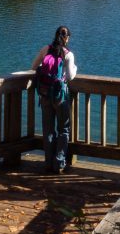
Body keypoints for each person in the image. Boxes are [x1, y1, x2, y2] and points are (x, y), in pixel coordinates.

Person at [30, 25, 77, 174]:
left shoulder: (46, 49)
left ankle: (48, 163)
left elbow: (33, 66)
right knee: (63, 129)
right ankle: (59, 162)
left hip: (44, 94)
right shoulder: (68, 54)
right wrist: (75, 68)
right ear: (67, 38)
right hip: (60, 97)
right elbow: (69, 76)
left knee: (48, 130)